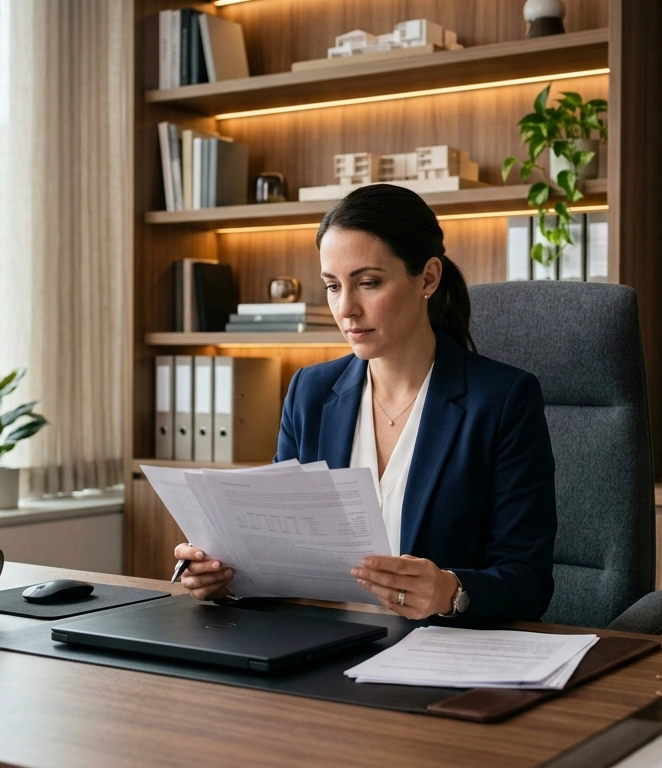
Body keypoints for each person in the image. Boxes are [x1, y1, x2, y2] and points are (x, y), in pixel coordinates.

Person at [174, 184, 557, 626]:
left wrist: (452, 591)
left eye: (368, 283)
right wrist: (227, 578)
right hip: (322, 645)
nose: (346, 309)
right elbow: (278, 554)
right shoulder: (310, 392)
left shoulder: (503, 400)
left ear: (428, 278)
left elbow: (529, 581)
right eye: (333, 286)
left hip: (440, 655)